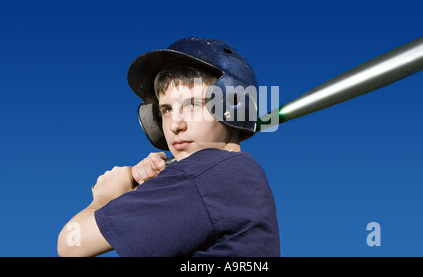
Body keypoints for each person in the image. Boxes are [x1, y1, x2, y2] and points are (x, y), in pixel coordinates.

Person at [57, 37, 280, 257]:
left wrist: (105, 198)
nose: (175, 125)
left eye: (193, 105)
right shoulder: (238, 175)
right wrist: (152, 192)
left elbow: (71, 244)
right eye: (166, 110)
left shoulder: (204, 176)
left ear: (233, 105)